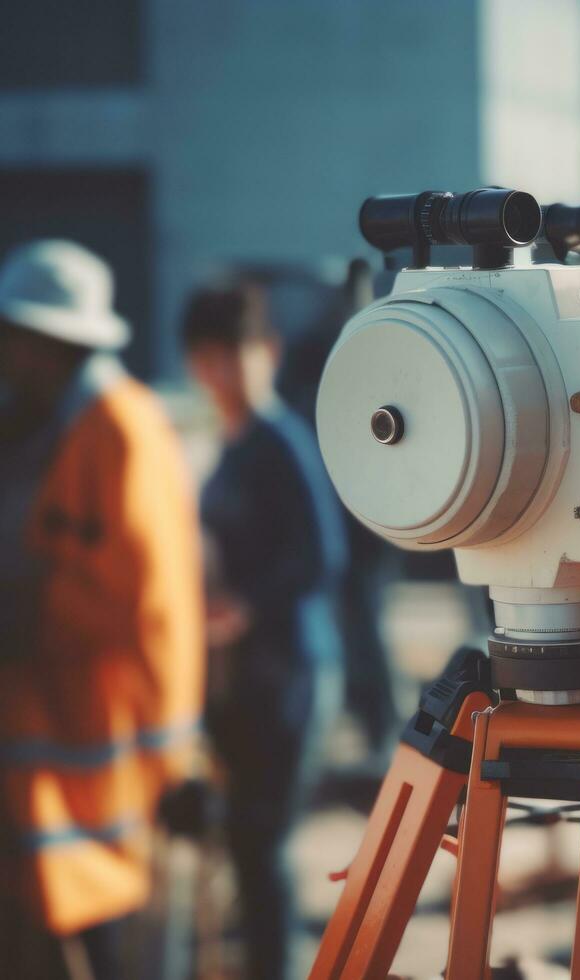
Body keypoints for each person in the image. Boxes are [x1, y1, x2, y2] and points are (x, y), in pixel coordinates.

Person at [0, 240, 204, 979]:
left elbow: (153, 610)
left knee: (107, 942)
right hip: (57, 754)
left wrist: (174, 756)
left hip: (103, 753)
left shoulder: (117, 429)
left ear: (47, 341)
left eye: (12, 338)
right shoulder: (53, 425)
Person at [183, 280, 346, 980]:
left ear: (267, 353)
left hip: (291, 677)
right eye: (209, 358)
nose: (223, 373)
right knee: (247, 851)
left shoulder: (281, 441)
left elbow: (322, 556)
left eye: (237, 354)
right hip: (241, 680)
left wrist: (244, 607)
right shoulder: (223, 446)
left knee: (265, 848)